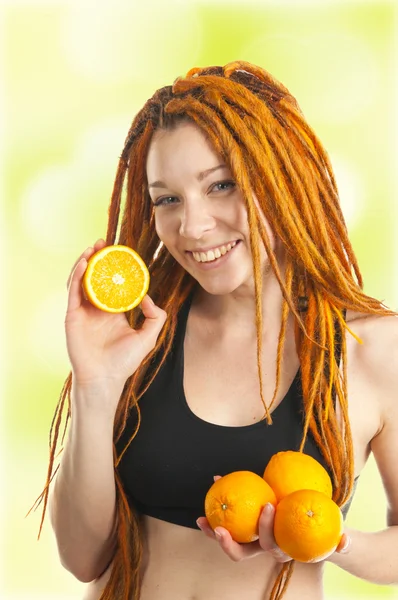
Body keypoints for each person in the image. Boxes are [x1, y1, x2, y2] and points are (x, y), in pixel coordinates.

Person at [35, 61, 398, 600]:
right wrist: (94, 387)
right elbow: (83, 557)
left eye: (221, 185)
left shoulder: (373, 348)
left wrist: (331, 542)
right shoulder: (138, 336)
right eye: (167, 199)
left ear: (284, 176)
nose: (193, 226)